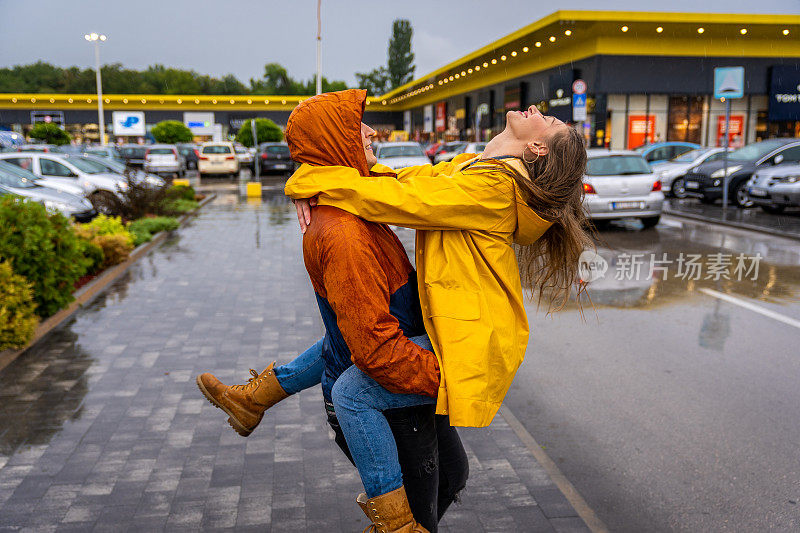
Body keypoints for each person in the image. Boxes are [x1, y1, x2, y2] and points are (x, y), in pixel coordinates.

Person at [202, 88, 591, 530]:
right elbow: (409, 182)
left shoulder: (497, 187)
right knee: (353, 342)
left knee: (354, 391)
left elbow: (404, 202)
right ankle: (256, 398)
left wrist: (317, 180)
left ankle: (392, 522)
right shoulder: (479, 168)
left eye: (552, 121)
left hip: (464, 340)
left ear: (537, 148)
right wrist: (321, 176)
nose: (539, 109)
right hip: (446, 322)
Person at [198, 89, 468, 533]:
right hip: (384, 398)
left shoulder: (353, 195)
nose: (370, 131)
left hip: (383, 374)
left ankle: (254, 398)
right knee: (417, 518)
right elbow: (376, 351)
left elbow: (415, 181)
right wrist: (455, 379)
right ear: (333, 142)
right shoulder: (344, 235)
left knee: (453, 475)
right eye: (355, 126)